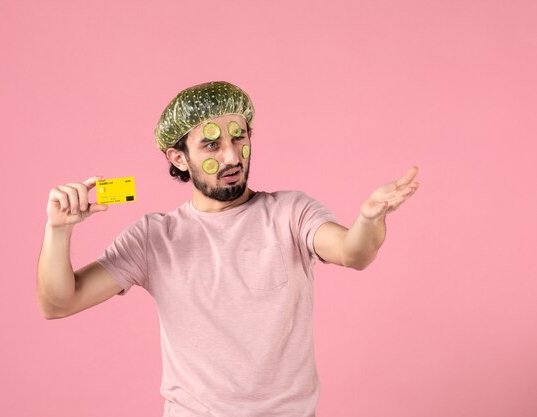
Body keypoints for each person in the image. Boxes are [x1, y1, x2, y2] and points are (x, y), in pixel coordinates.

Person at [37, 81, 419, 417]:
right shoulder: (154, 238)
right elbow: (58, 304)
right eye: (211, 145)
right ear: (178, 158)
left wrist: (369, 219)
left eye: (239, 138)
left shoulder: (290, 213)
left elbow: (354, 253)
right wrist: (58, 231)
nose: (232, 157)